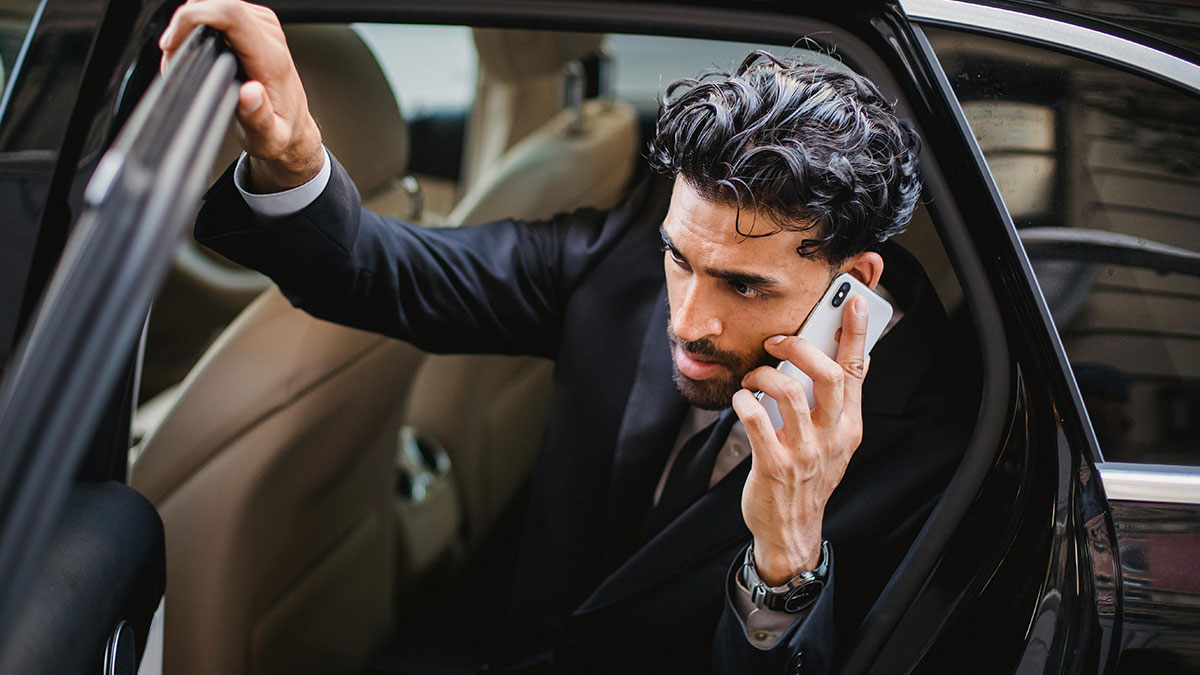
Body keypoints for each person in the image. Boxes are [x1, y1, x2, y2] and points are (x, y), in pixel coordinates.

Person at [161, 2, 980, 672]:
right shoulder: (622, 257)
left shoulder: (945, 445)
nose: (687, 319)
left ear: (854, 280)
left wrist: (788, 561)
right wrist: (294, 157)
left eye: (744, 285)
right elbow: (393, 273)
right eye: (680, 258)